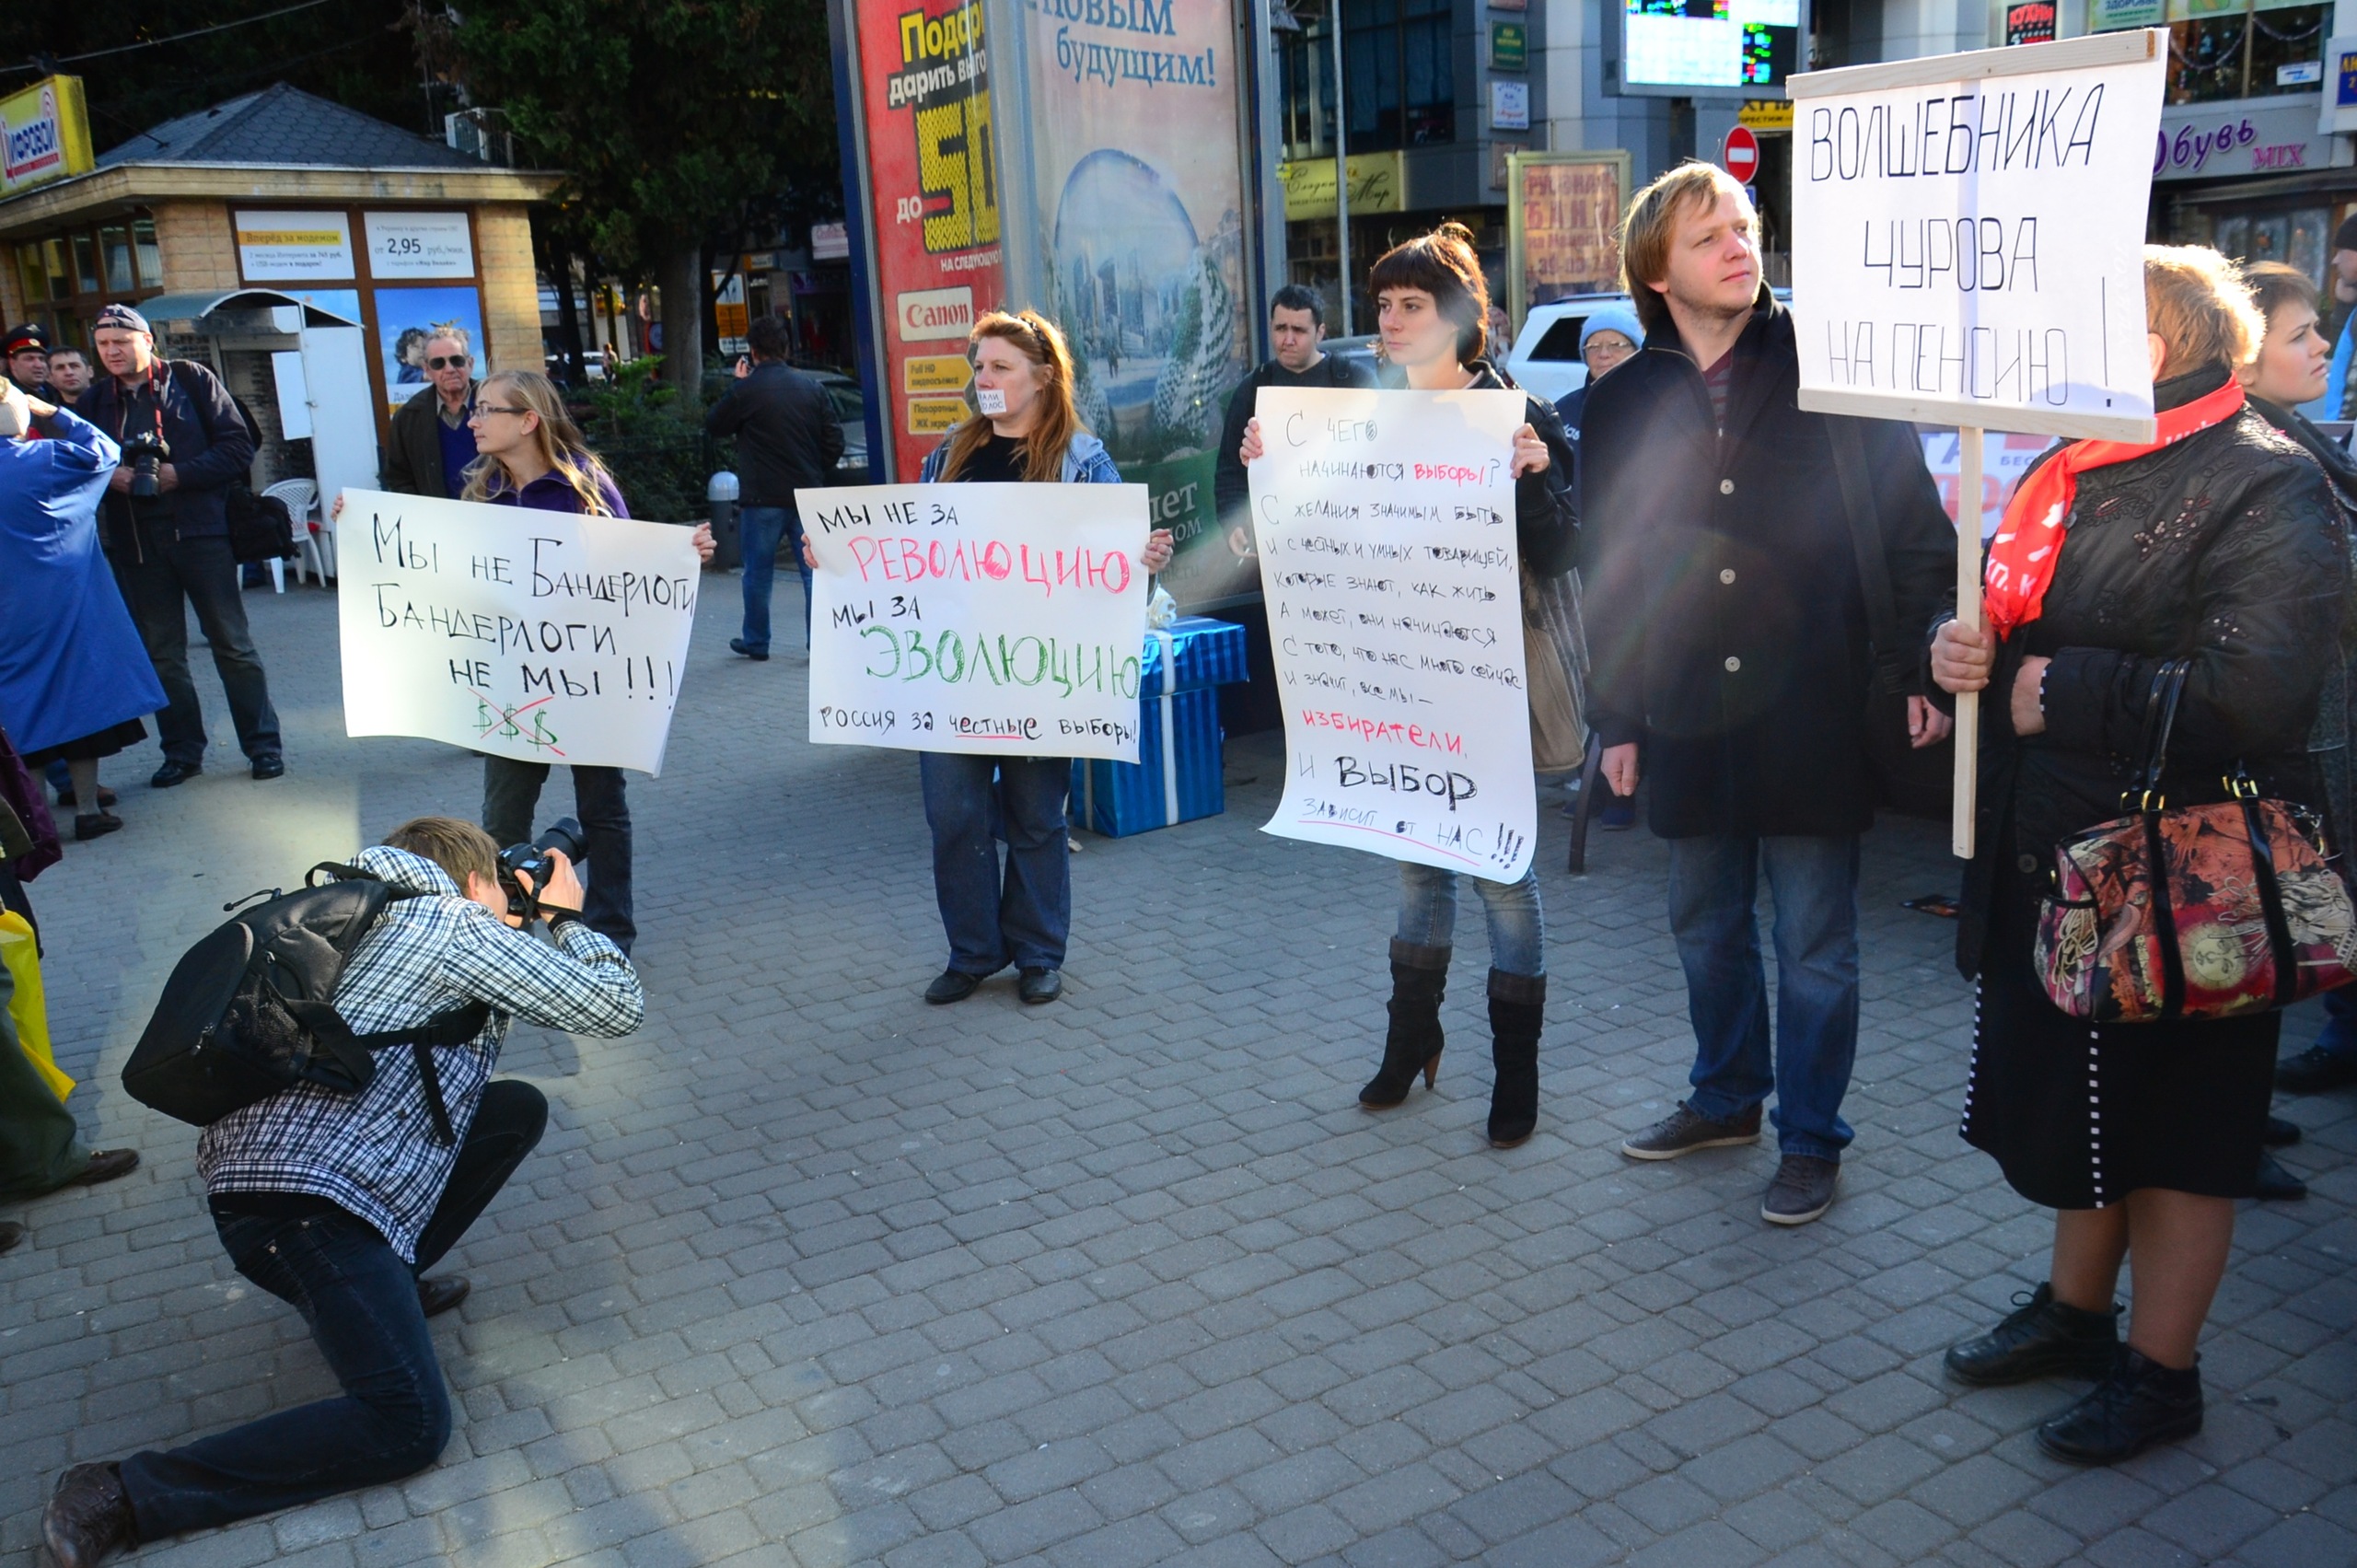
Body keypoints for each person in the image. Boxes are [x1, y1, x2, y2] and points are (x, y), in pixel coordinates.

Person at [1930, 247, 2344, 1465]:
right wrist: (1957, 653)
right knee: (2088, 1113)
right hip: (2062, 859)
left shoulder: (2269, 480)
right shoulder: (2071, 465)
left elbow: (2256, 689)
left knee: (2178, 1138)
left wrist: (2058, 687)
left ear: (2149, 349)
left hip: (2188, 885)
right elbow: (2011, 629)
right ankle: (2074, 1316)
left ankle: (2163, 1376)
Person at [38, 817, 646, 1566]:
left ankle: (392, 1280)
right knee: (408, 1424)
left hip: (266, 1189)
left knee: (513, 1110)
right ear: (472, 881)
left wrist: (515, 916)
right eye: (498, 884)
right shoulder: (450, 923)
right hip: (305, 1214)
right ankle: (121, 1493)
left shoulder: (357, 915)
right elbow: (615, 1003)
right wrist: (563, 916)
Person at [1581, 163, 1955, 1225]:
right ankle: (1725, 1096)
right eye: (1708, 236)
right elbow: (1612, 570)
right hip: (1684, 711)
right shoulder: (1622, 399)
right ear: (1657, 270)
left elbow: (1914, 531)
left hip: (1814, 707)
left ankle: (1810, 1137)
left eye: (1744, 227)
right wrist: (1618, 718)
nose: (1738, 247)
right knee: (1702, 923)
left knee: (1814, 940)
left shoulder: (1832, 368)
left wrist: (1917, 665)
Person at [1238, 223, 1580, 1147]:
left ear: (1458, 316)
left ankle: (1516, 1073)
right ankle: (1411, 1039)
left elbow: (1566, 554)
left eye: (1411, 305)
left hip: (1489, 685)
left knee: (1500, 875)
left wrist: (1533, 480)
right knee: (1416, 866)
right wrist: (1271, 465)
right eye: (1383, 304)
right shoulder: (1366, 420)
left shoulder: (1515, 415)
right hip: (1399, 683)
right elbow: (1320, 538)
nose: (1389, 321)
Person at [807, 310, 1172, 1006]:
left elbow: (1118, 571)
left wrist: (1145, 560)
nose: (985, 379)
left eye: (1001, 366)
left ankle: (1037, 952)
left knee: (1036, 817)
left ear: (1043, 376)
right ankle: (973, 952)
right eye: (979, 367)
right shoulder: (950, 454)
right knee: (954, 817)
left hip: (1040, 675)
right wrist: (837, 555)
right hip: (952, 674)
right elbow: (908, 552)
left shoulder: (1082, 461)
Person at [2238, 261, 2357, 1112]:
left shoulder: (2298, 435)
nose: (2324, 346)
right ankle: (2234, 1125)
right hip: (2295, 743)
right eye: (2300, 334)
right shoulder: (2260, 456)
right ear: (2244, 356)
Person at [80, 304, 280, 788]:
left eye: (121, 342)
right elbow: (79, 462)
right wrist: (112, 476)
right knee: (162, 655)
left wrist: (179, 474)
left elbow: (239, 447)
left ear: (147, 340)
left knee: (232, 645)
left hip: (200, 534)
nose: (112, 352)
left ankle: (263, 747)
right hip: (136, 541)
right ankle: (183, 753)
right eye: (103, 344)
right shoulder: (94, 402)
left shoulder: (191, 379)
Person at [0, 379, 164, 842]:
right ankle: (89, 810)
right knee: (76, 704)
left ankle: (35, 824)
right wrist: (54, 413)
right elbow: (104, 452)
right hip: (65, 603)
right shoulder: (43, 459)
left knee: (19, 714)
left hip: (7, 616)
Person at [1552, 303, 1643, 830]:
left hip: (1638, 560)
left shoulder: (1653, 403)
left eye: (1617, 345)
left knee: (1627, 662)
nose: (1604, 354)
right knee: (1589, 667)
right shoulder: (1565, 409)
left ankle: (1623, 789)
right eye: (1594, 346)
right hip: (1577, 559)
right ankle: (1597, 783)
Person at [704, 312, 842, 661]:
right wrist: (815, 470)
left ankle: (756, 641)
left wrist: (736, 385)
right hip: (807, 496)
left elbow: (715, 425)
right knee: (813, 573)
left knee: (757, 574)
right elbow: (834, 442)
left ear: (753, 352)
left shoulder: (746, 391)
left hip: (762, 498)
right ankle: (819, 644)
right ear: (786, 348)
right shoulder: (812, 389)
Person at [1213, 285, 1377, 561]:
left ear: (1320, 332)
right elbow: (1229, 470)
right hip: (1278, 547)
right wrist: (1233, 524)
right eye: (1280, 328)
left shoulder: (1355, 380)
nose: (1288, 339)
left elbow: (1384, 462)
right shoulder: (1252, 388)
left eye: (1299, 330)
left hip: (1350, 545)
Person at [380, 327, 478, 499]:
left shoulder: (498, 405)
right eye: (438, 363)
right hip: (438, 514)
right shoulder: (408, 417)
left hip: (497, 511)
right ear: (427, 369)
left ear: (470, 363)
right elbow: (398, 478)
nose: (449, 369)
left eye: (457, 360)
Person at [6, 322, 56, 402]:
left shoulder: (55, 391)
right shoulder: (6, 396)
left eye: (42, 359)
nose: (38, 365)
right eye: (29, 359)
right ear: (12, 364)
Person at [44, 345, 91, 410]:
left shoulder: (105, 406)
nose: (69, 373)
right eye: (60, 368)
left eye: (74, 366)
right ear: (49, 377)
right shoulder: (51, 414)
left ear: (90, 372)